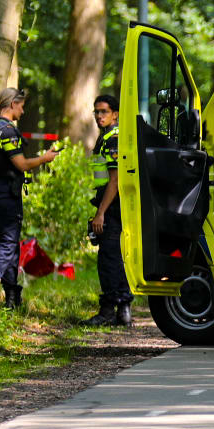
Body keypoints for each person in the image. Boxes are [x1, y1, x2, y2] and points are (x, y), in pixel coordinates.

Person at [0, 88, 62, 308]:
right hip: (7, 193)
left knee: (10, 244)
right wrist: (45, 158)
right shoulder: (8, 131)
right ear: (12, 104)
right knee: (7, 245)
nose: (23, 111)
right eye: (21, 106)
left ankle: (12, 296)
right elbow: (21, 164)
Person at [83, 94, 133, 327]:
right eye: (96, 111)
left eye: (104, 111)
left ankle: (108, 310)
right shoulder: (106, 138)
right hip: (111, 204)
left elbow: (114, 180)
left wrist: (101, 213)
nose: (99, 116)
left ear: (115, 114)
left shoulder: (113, 138)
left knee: (108, 259)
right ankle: (123, 309)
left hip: (112, 206)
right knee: (113, 257)